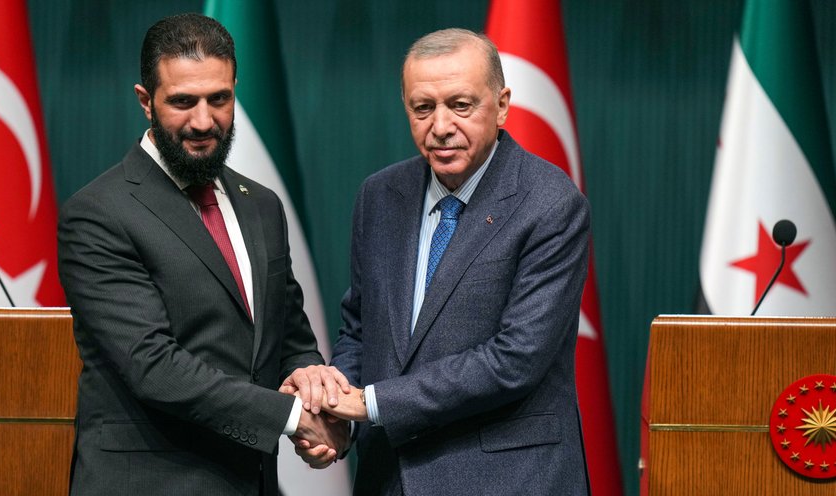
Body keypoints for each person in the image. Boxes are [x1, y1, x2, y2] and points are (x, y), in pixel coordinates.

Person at [286, 28, 591, 494]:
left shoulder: (550, 203)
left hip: (505, 481)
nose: (441, 126)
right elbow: (362, 331)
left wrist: (368, 404)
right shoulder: (379, 195)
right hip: (388, 478)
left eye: (460, 105)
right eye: (423, 108)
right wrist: (332, 414)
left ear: (502, 105)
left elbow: (515, 359)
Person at [57, 13, 347, 495]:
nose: (203, 121)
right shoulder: (98, 213)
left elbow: (288, 336)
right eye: (182, 102)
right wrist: (293, 417)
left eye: (219, 99)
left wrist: (311, 380)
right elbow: (153, 366)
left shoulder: (262, 205)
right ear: (145, 101)